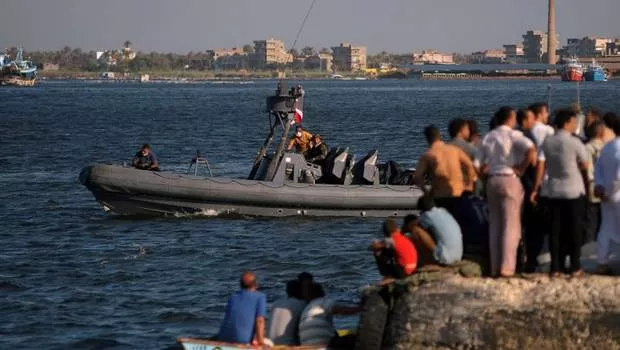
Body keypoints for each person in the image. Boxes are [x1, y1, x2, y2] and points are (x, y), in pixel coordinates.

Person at [531, 109, 589, 277]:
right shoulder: (575, 142)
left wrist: (536, 188)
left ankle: (556, 266)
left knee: (555, 230)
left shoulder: (548, 142)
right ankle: (575, 265)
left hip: (554, 189)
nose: (575, 125)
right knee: (575, 229)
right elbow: (585, 166)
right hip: (574, 190)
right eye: (573, 122)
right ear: (567, 123)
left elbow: (541, 165)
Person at [481, 106, 536, 277]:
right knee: (511, 227)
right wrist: (521, 168)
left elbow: (479, 165)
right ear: (511, 119)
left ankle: (494, 266)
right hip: (510, 178)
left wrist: (484, 180)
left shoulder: (489, 137)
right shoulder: (514, 135)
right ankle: (507, 267)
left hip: (492, 180)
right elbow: (531, 150)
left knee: (495, 226)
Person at [414, 125, 476, 214]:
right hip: (458, 194)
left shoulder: (428, 155)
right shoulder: (454, 150)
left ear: (427, 139)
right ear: (440, 136)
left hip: (440, 197)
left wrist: (426, 192)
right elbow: (470, 166)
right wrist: (469, 186)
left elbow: (417, 177)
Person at [517, 108, 545, 272]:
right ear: (525, 120)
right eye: (532, 118)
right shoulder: (528, 137)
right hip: (528, 184)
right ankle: (531, 260)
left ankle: (521, 258)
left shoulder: (515, 135)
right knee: (534, 225)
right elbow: (535, 159)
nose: (534, 120)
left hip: (518, 184)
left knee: (519, 225)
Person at [403, 196, 463, 268]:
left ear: (422, 210)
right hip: (458, 256)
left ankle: (425, 264)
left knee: (415, 230)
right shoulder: (444, 211)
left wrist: (400, 232)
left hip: (446, 259)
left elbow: (411, 226)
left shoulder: (428, 215)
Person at [594, 113, 620, 275]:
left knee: (606, 228)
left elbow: (598, 170)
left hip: (606, 196)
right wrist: (611, 191)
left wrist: (601, 188)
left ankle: (602, 262)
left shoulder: (606, 148)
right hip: (616, 194)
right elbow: (619, 176)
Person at [217, 272, 268, 346]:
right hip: (242, 340)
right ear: (256, 284)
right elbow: (260, 320)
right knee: (268, 341)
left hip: (223, 337)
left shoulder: (232, 297)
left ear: (240, 285)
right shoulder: (260, 297)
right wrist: (261, 343)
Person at [369, 218, 418, 285]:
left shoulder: (391, 240)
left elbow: (372, 247)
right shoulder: (403, 237)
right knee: (389, 250)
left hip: (404, 272)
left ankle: (389, 276)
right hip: (413, 268)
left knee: (379, 251)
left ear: (385, 231)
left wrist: (376, 243)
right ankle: (391, 276)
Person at [584, 121, 605, 244]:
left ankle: (589, 246)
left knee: (590, 222)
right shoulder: (607, 147)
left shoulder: (587, 147)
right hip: (605, 188)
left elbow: (588, 171)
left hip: (592, 187)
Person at [267, 280, 307, 345]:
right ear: (301, 291)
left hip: (270, 344)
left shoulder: (276, 303)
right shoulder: (301, 304)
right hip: (288, 345)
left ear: (287, 291)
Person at [449, 118, 480, 194]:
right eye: (466, 129)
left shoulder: (445, 147)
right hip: (468, 187)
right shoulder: (470, 148)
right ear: (461, 130)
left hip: (450, 187)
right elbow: (477, 169)